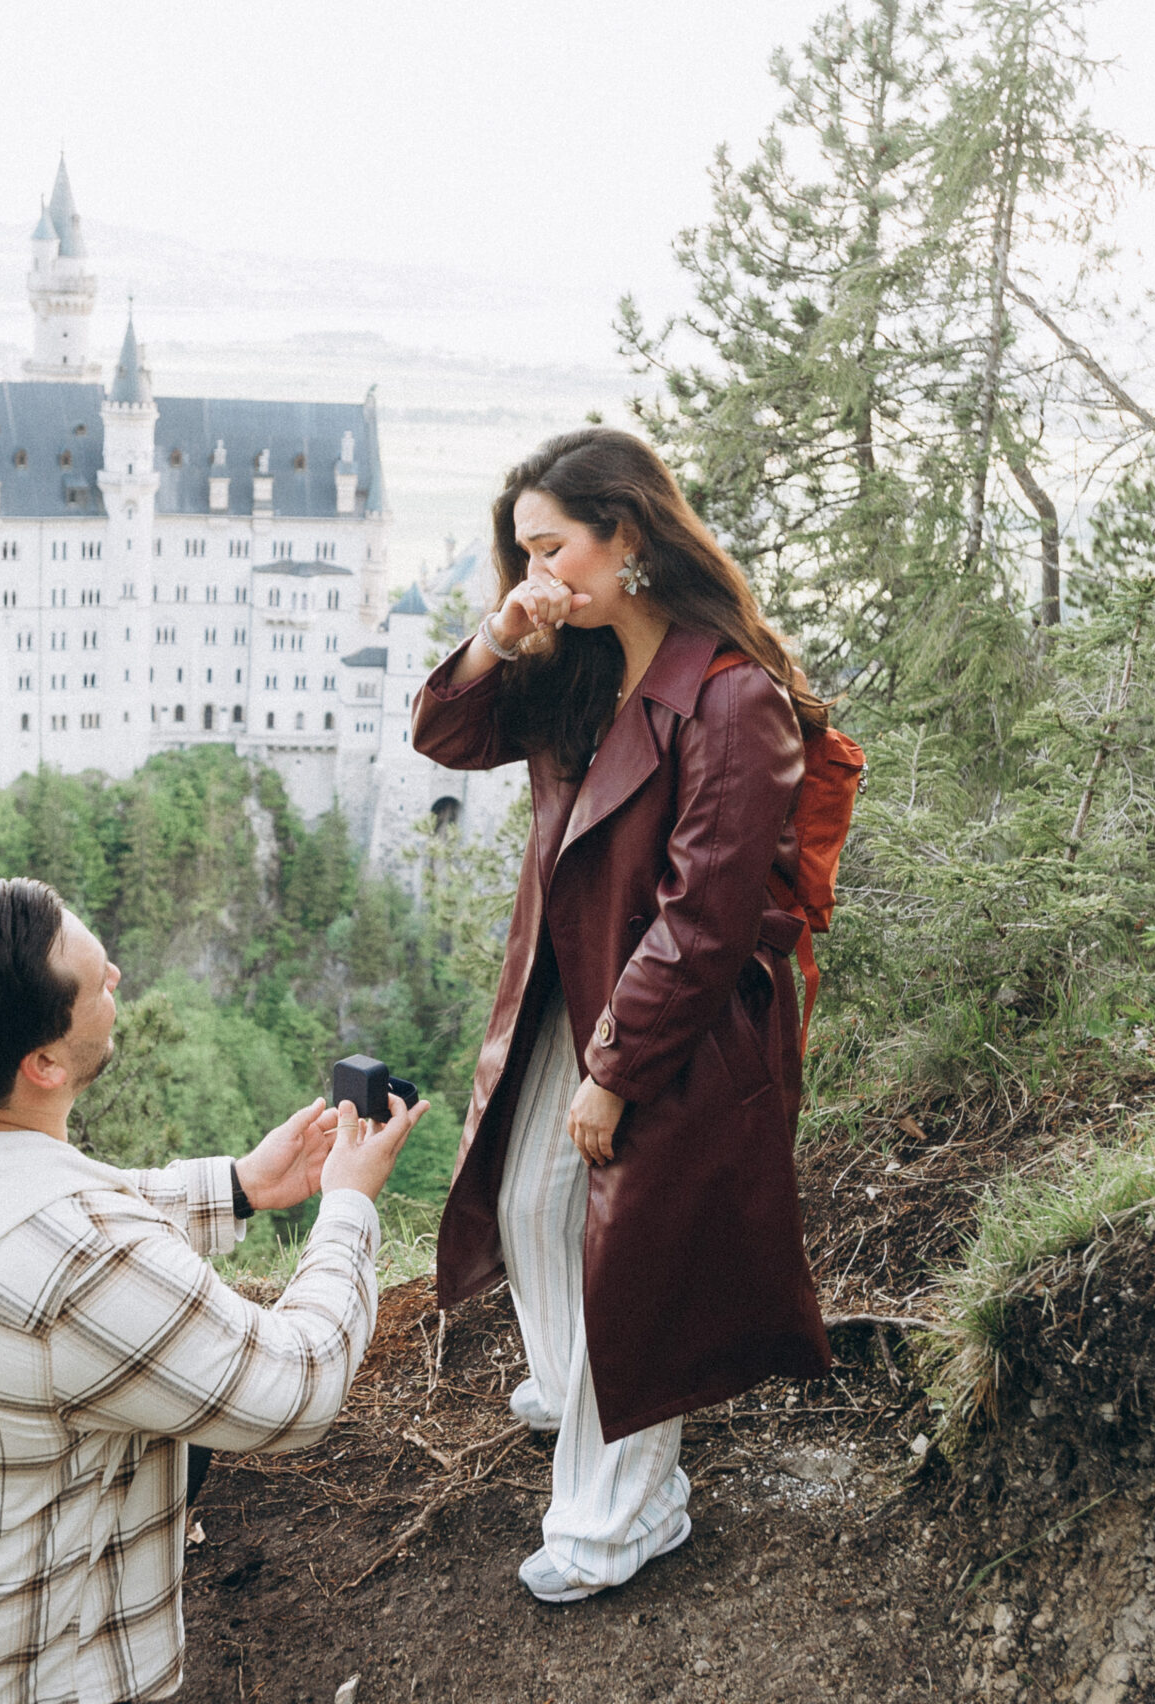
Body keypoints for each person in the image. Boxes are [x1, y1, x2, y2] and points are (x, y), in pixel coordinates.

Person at [0, 877, 426, 1703]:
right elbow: (295, 1388)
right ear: (44, 1064)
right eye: (97, 981)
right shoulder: (77, 1264)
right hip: (22, 1669)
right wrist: (347, 1206)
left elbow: (29, 1203)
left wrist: (239, 1186)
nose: (118, 975)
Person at [413, 427, 835, 1604]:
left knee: (630, 1267)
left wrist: (614, 1073)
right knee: (527, 1203)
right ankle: (582, 1392)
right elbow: (445, 732)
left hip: (676, 1019)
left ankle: (622, 1513)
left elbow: (703, 920)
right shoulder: (578, 670)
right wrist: (503, 632)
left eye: (553, 548)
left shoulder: (731, 698)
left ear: (628, 534)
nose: (538, 573)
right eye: (522, 553)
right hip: (577, 984)